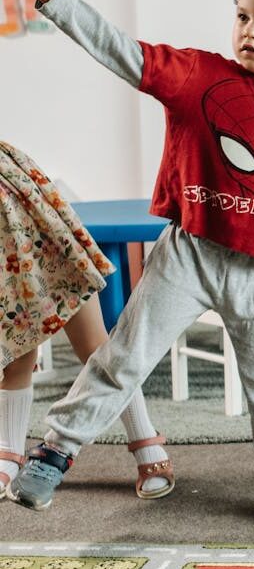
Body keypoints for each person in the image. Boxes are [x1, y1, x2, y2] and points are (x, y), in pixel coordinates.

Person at [7, 0, 254, 525]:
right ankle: (54, 453)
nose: (249, 31)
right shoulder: (199, 75)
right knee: (122, 359)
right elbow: (124, 53)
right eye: (242, 16)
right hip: (188, 254)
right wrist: (61, 4)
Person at [1, 142, 173, 500]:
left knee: (95, 345)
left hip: (23, 210)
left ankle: (145, 439)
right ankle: (8, 451)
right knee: (16, 353)